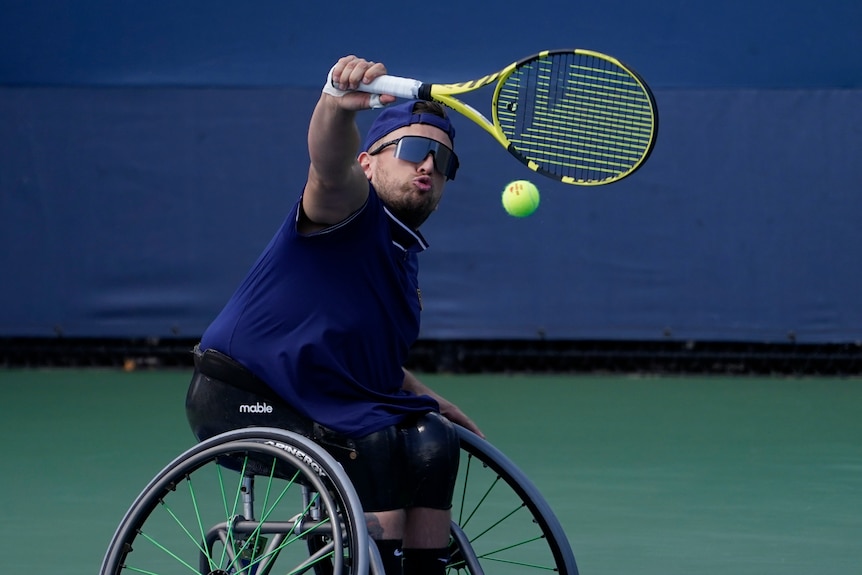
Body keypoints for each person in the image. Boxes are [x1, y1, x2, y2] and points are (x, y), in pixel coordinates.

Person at [185, 55, 483, 575]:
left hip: (319, 399)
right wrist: (335, 107)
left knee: (433, 439)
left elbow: (367, 359)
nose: (429, 166)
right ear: (367, 164)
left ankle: (420, 567)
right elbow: (327, 164)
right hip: (241, 393)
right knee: (368, 442)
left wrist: (427, 398)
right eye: (414, 149)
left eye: (443, 160)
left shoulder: (401, 260)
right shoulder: (347, 207)